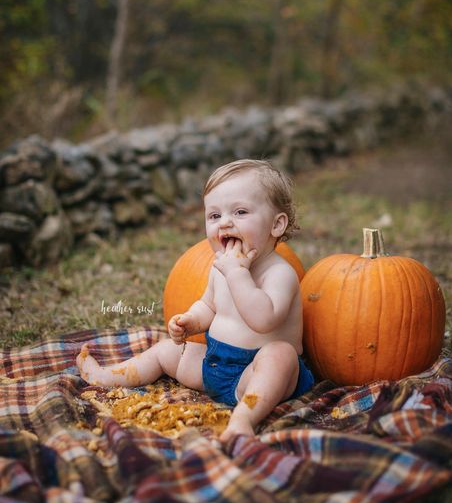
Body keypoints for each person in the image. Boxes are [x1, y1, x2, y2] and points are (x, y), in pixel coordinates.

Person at [76, 159, 314, 442]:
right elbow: (209, 306)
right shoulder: (221, 266)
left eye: (240, 212)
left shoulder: (279, 273)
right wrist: (190, 320)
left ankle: (243, 419)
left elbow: (263, 320)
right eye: (214, 216)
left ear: (277, 224)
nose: (225, 222)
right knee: (166, 350)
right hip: (214, 365)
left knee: (280, 355)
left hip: (258, 375)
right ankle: (110, 376)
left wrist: (238, 274)